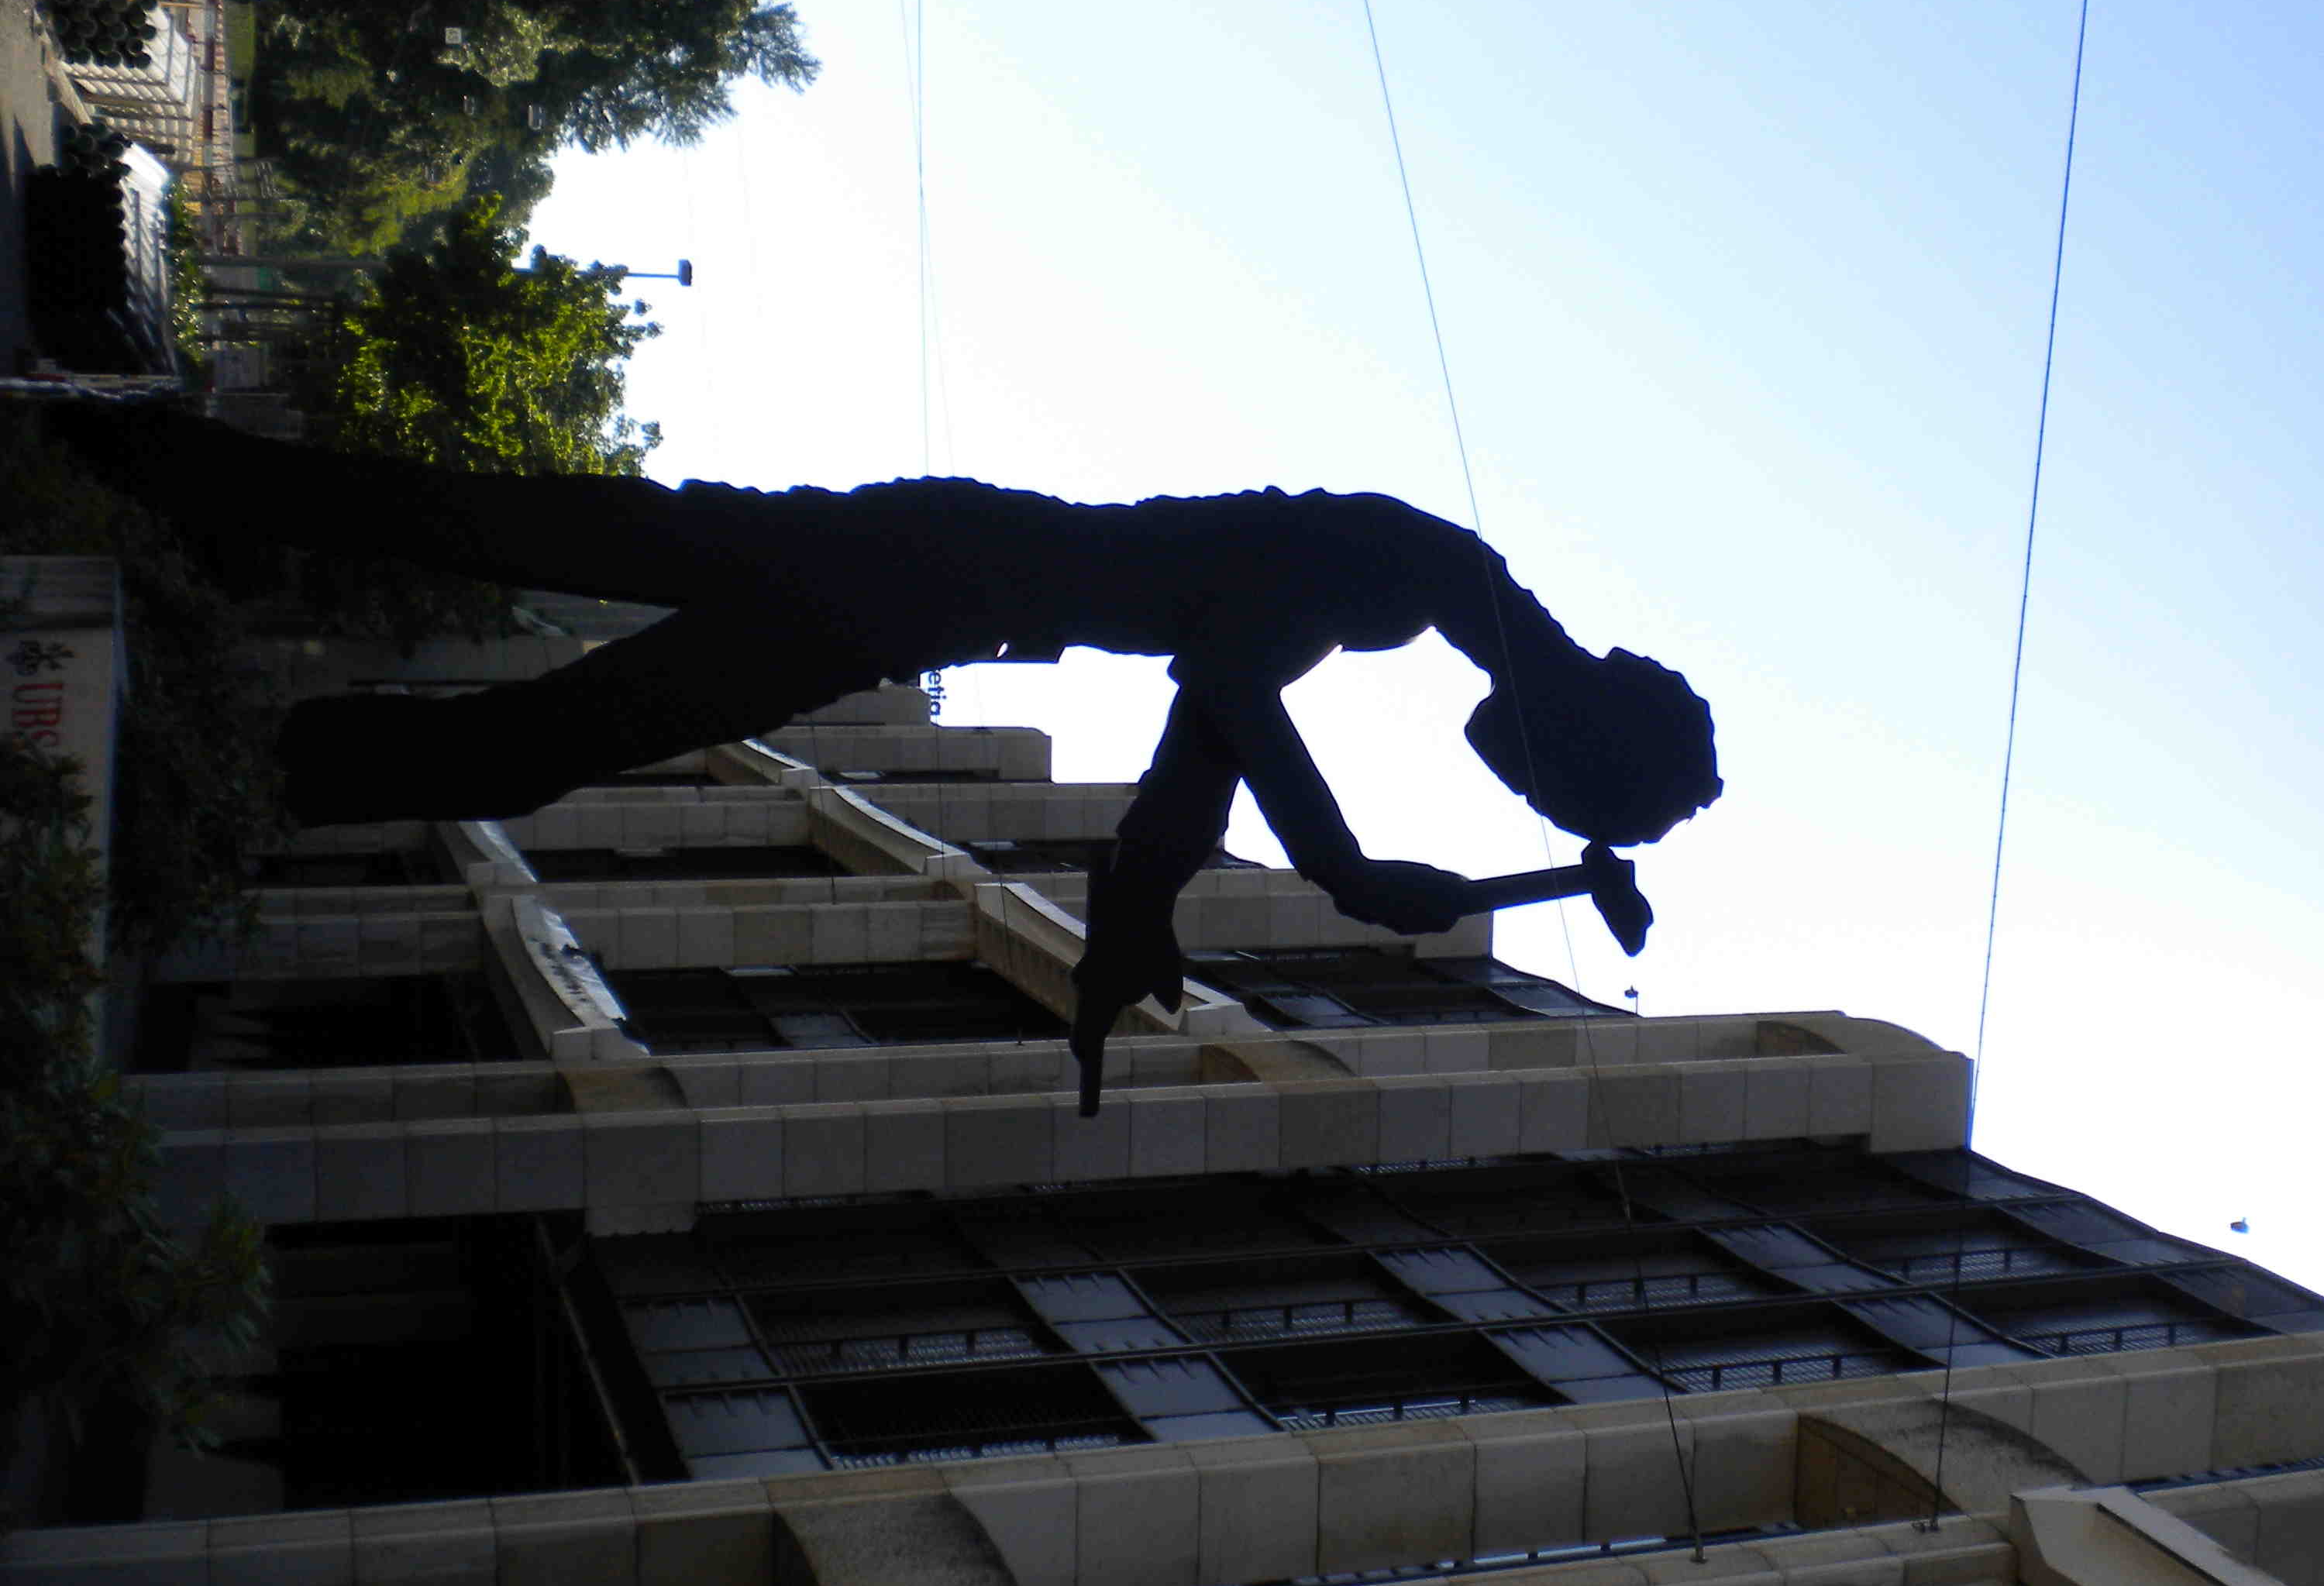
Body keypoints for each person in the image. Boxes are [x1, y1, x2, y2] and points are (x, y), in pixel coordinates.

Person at [72, 410, 1722, 1103]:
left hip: (926, 585)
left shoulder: (1407, 599)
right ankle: (143, 513)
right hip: (925, 574)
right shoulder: (1418, 571)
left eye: (1552, 811)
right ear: (1586, 729)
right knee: (514, 571)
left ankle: (187, 715)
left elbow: (1199, 739)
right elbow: (1224, 689)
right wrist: (1342, 867)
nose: (1526, 795)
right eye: (1559, 791)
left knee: (522, 663)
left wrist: (1140, 917)